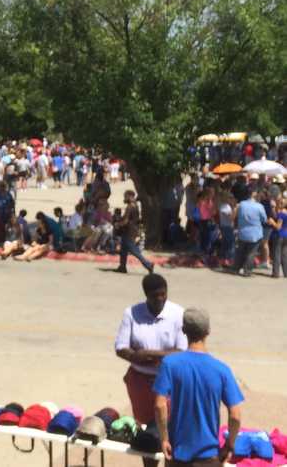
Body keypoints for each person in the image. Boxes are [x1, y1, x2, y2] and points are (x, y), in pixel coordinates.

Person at [154, 308, 243, 466]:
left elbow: (160, 405)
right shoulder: (221, 369)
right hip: (208, 457)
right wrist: (230, 444)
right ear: (208, 331)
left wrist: (164, 438)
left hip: (178, 455)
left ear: (184, 331)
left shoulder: (170, 364)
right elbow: (235, 415)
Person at [115, 274, 187, 467]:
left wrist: (146, 354)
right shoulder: (131, 313)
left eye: (163, 294)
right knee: (148, 434)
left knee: (171, 432)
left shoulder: (178, 313)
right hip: (140, 383)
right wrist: (143, 357)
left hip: (170, 383)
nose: (160, 299)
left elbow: (181, 351)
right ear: (146, 295)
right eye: (155, 295)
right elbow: (121, 348)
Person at [115, 190, 154, 274]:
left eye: (125, 196)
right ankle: (122, 266)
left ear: (129, 196)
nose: (124, 198)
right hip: (132, 230)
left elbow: (126, 221)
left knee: (134, 251)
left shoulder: (130, 207)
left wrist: (118, 224)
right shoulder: (135, 205)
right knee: (123, 250)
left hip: (129, 231)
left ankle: (148, 264)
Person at [232, 187, 268, 277]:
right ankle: (247, 271)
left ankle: (236, 268)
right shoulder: (259, 206)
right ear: (254, 194)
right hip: (255, 233)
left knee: (240, 251)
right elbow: (264, 219)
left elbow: (235, 216)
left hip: (242, 231)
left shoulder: (241, 204)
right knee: (251, 252)